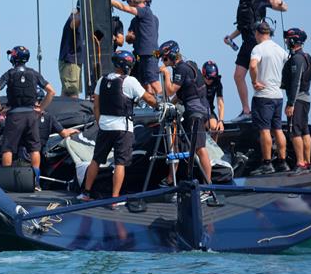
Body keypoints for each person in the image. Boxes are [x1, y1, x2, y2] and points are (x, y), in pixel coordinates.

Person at [77, 50, 157, 207]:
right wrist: (159, 105)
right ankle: (115, 199)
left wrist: (101, 123)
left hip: (105, 127)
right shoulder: (131, 81)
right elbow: (148, 98)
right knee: (120, 163)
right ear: (127, 65)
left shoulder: (102, 80)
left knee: (96, 160)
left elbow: (96, 106)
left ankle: (85, 193)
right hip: (123, 128)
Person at [0, 46, 56, 189]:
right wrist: (41, 109)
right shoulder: (34, 73)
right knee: (34, 149)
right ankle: (36, 182)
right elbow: (51, 91)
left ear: (14, 57)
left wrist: (0, 109)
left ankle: (6, 183)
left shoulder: (9, 73)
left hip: (14, 115)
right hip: (31, 115)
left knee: (7, 148)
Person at [225, 0, 288, 121]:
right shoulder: (241, 4)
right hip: (245, 43)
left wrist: (279, 2)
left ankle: (265, 110)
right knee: (238, 76)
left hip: (258, 43)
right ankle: (246, 111)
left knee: (260, 77)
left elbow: (284, 8)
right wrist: (230, 37)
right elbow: (241, 27)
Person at [158, 40, 213, 185]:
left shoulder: (181, 69)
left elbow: (170, 91)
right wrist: (166, 105)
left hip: (196, 112)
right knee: (179, 146)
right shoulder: (187, 65)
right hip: (195, 109)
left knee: (200, 149)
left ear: (172, 56)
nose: (163, 62)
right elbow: (181, 93)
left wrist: (165, 74)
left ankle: (208, 186)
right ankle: (172, 179)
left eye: (164, 58)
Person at [248, 22, 290, 175]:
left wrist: (254, 82)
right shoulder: (280, 49)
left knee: (264, 130)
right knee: (277, 129)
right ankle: (282, 162)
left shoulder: (258, 49)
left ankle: (267, 163)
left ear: (258, 33)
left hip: (263, 96)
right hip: (278, 96)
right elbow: (288, 65)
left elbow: (253, 66)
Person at [111, 0, 161, 95]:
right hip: (142, 53)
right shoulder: (137, 19)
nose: (128, 4)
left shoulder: (145, 11)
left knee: (153, 81)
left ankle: (166, 105)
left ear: (131, 1)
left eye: (128, 2)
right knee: (145, 82)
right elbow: (130, 38)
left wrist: (109, 0)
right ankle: (152, 104)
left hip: (150, 53)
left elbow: (123, 8)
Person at [282, 28, 311, 174]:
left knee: (295, 131)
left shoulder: (297, 59)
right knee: (305, 130)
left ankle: (300, 163)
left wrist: (290, 104)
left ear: (294, 41)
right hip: (306, 99)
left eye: (288, 39)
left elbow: (296, 83)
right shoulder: (308, 57)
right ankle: (308, 163)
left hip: (298, 100)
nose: (287, 42)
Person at [58, 1, 83, 98]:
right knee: (71, 93)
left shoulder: (83, 20)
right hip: (71, 61)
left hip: (75, 61)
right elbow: (73, 24)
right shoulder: (75, 18)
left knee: (72, 91)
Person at [201, 61, 225, 139]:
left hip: (209, 110)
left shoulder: (217, 83)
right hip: (195, 109)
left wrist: (221, 120)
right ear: (203, 75)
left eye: (213, 78)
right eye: (208, 78)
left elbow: (220, 103)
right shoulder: (197, 81)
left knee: (215, 128)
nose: (210, 80)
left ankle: (214, 149)